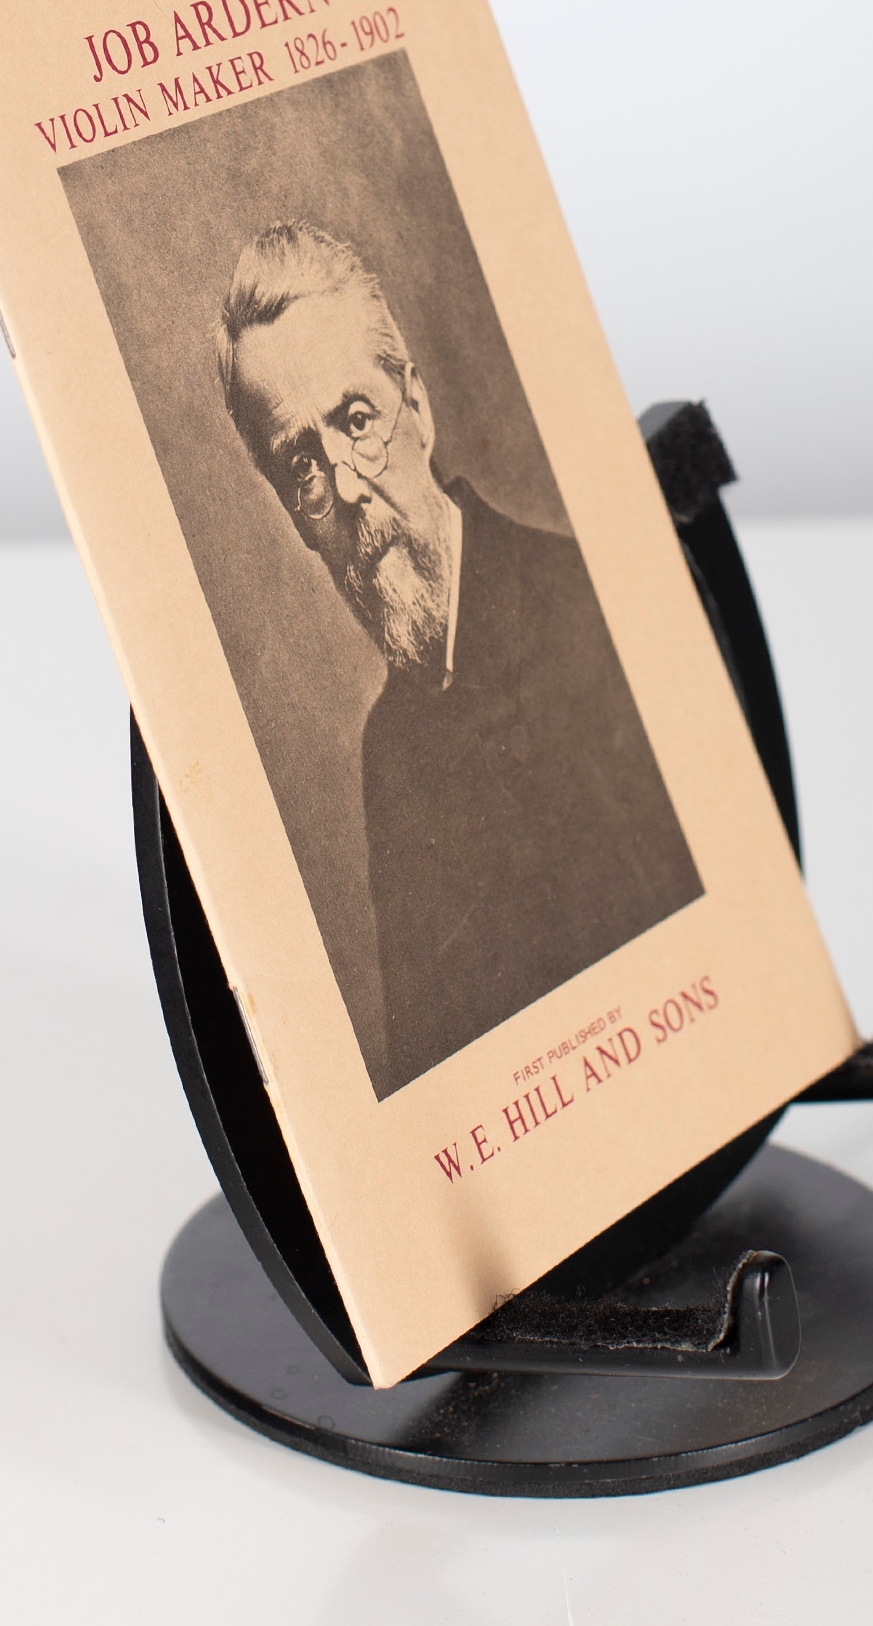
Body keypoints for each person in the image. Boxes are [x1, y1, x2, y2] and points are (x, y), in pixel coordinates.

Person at [218, 222, 702, 1094]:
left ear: (419, 407)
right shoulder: (387, 754)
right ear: (293, 514)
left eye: (356, 421)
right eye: (303, 465)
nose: (348, 487)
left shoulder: (592, 608)